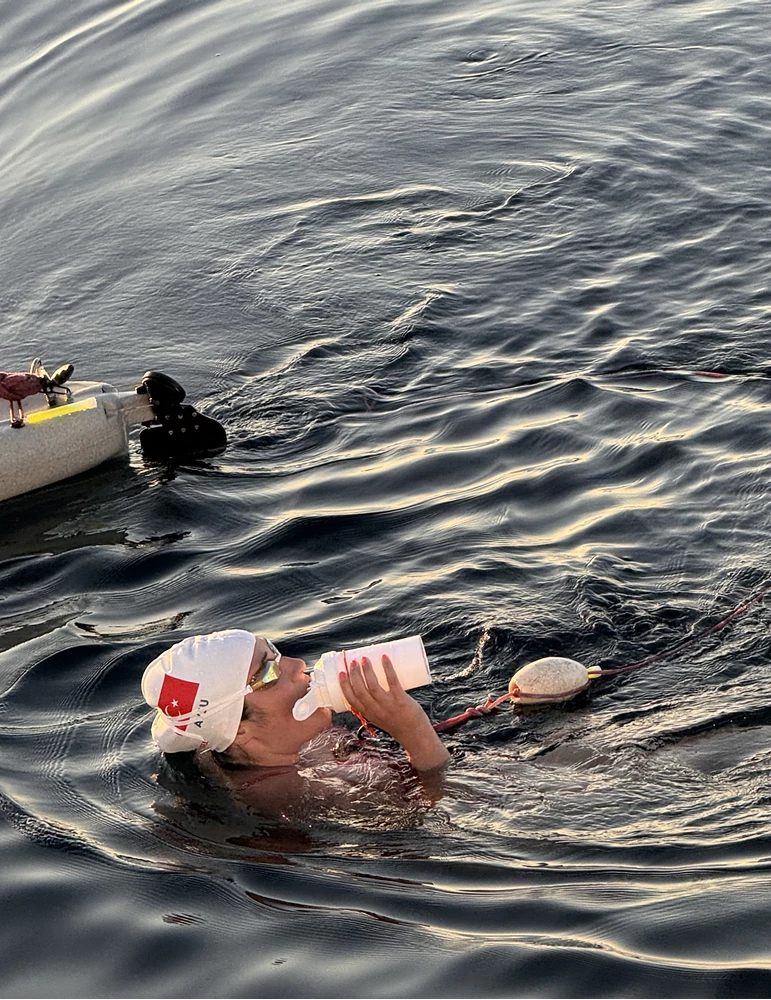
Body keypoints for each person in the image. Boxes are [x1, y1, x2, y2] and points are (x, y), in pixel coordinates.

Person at [142, 629, 450, 819]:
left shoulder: (289, 739)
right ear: (239, 730)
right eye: (267, 674)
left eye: (274, 653)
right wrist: (414, 732)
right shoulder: (286, 799)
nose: (297, 665)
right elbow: (443, 818)